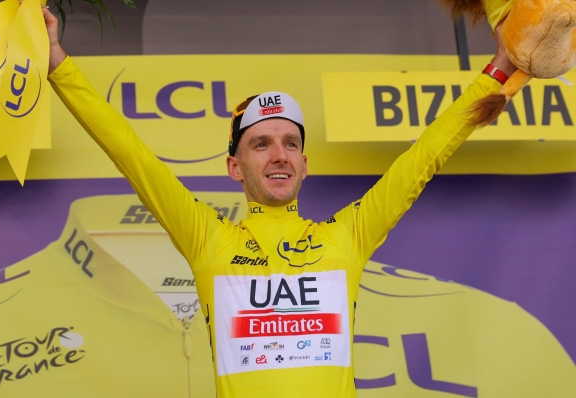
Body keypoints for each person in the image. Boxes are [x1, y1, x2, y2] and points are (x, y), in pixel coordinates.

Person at [42, 6, 515, 397]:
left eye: (290, 143)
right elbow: (131, 153)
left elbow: (422, 158)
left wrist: (497, 74)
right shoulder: (208, 238)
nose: (279, 156)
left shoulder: (345, 236)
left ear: (304, 164)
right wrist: (60, 65)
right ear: (235, 167)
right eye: (261, 144)